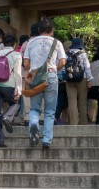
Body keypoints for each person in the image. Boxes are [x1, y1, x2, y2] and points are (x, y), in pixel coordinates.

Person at [23, 18, 66, 148]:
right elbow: (63, 62)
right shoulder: (57, 43)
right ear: (51, 31)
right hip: (51, 76)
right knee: (49, 111)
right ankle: (47, 140)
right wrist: (53, 70)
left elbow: (25, 63)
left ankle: (34, 124)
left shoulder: (30, 42)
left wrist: (35, 71)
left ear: (39, 30)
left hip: (36, 78)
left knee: (35, 108)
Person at [0, 34, 22, 146]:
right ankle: (7, 117)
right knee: (15, 104)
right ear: (14, 44)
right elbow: (17, 73)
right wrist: (19, 89)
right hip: (8, 84)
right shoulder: (16, 54)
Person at [64, 37, 93, 125]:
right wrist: (89, 79)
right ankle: (83, 122)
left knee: (72, 101)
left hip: (69, 79)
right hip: (82, 78)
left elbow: (63, 67)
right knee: (82, 101)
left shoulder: (66, 54)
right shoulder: (83, 54)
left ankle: (74, 123)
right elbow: (87, 67)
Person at [20, 24, 40, 125]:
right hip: (40, 73)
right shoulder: (43, 43)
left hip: (27, 73)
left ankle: (28, 116)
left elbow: (21, 59)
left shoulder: (25, 44)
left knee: (27, 96)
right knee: (41, 93)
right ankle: (41, 116)